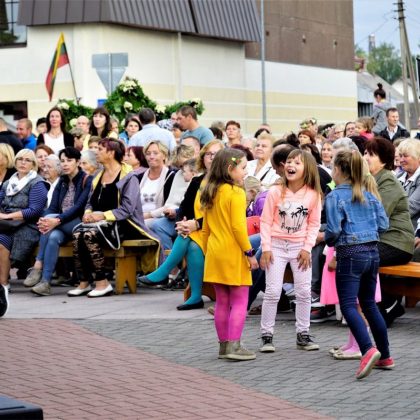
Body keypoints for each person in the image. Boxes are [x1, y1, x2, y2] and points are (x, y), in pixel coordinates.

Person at [325, 150, 392, 379]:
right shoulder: (369, 194)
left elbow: (333, 230)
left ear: (338, 170)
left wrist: (328, 239)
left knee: (348, 305)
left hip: (350, 254)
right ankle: (385, 355)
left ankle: (367, 349)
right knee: (369, 305)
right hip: (372, 254)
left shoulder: (335, 196)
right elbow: (383, 225)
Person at [68, 138, 161, 298]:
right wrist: (88, 212)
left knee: (89, 235)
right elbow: (90, 201)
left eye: (100, 149)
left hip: (125, 224)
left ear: (111, 153)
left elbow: (127, 209)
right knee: (77, 235)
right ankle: (83, 281)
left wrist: (102, 215)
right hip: (101, 223)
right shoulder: (98, 176)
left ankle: (102, 283)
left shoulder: (129, 177)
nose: (96, 152)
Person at [138, 140, 224, 309]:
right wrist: (183, 222)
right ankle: (195, 296)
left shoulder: (225, 183)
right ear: (202, 157)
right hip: (198, 231)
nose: (211, 157)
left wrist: (196, 224)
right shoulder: (197, 180)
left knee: (188, 237)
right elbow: (184, 207)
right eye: (208, 154)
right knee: (191, 243)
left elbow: (221, 215)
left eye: (216, 154)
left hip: (219, 230)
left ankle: (164, 271)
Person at [259, 149, 322, 353]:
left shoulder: (313, 195)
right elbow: (265, 221)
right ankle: (266, 335)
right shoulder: (275, 192)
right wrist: (266, 248)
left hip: (299, 249)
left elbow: (314, 224)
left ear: (307, 169)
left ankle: (303, 334)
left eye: (297, 162)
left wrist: (307, 248)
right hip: (276, 246)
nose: (290, 165)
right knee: (272, 292)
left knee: (303, 292)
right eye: (289, 161)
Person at [200, 148, 258, 361]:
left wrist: (208, 252)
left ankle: (224, 346)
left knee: (222, 302)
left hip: (215, 251)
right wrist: (249, 252)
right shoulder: (236, 193)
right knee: (240, 300)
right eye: (243, 167)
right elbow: (238, 228)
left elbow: (205, 230)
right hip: (233, 252)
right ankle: (235, 345)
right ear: (229, 168)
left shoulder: (210, 191)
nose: (245, 172)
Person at [24, 147, 92, 296]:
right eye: (62, 161)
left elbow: (78, 207)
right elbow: (53, 207)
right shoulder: (62, 181)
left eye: (69, 160)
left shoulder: (87, 179)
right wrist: (45, 219)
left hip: (79, 224)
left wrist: (56, 219)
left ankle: (38, 265)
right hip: (61, 225)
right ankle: (45, 282)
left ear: (78, 162)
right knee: (53, 236)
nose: (65, 164)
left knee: (49, 222)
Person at [364, 137, 414, 325]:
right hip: (381, 240)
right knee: (353, 257)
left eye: (371, 154)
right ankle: (384, 306)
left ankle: (388, 304)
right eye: (365, 153)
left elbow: (377, 217)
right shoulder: (370, 180)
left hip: (397, 243)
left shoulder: (388, 182)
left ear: (383, 160)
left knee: (358, 258)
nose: (365, 157)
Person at [0, 149, 48, 292]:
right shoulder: (8, 183)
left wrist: (7, 216)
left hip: (28, 225)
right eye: (20, 159)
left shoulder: (37, 183)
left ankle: (3, 284)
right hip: (7, 224)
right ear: (15, 162)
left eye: (28, 160)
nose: (23, 162)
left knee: (1, 242)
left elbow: (35, 210)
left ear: (33, 164)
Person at [137, 141, 176, 227]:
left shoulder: (172, 177)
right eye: (148, 154)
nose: (151, 156)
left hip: (160, 220)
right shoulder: (139, 177)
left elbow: (170, 205)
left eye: (155, 153)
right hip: (138, 217)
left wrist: (147, 215)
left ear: (164, 156)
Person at [397, 139, 420, 227]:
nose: (401, 160)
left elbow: (410, 207)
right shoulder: (397, 177)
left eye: (405, 156)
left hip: (412, 231)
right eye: (400, 156)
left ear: (418, 157)